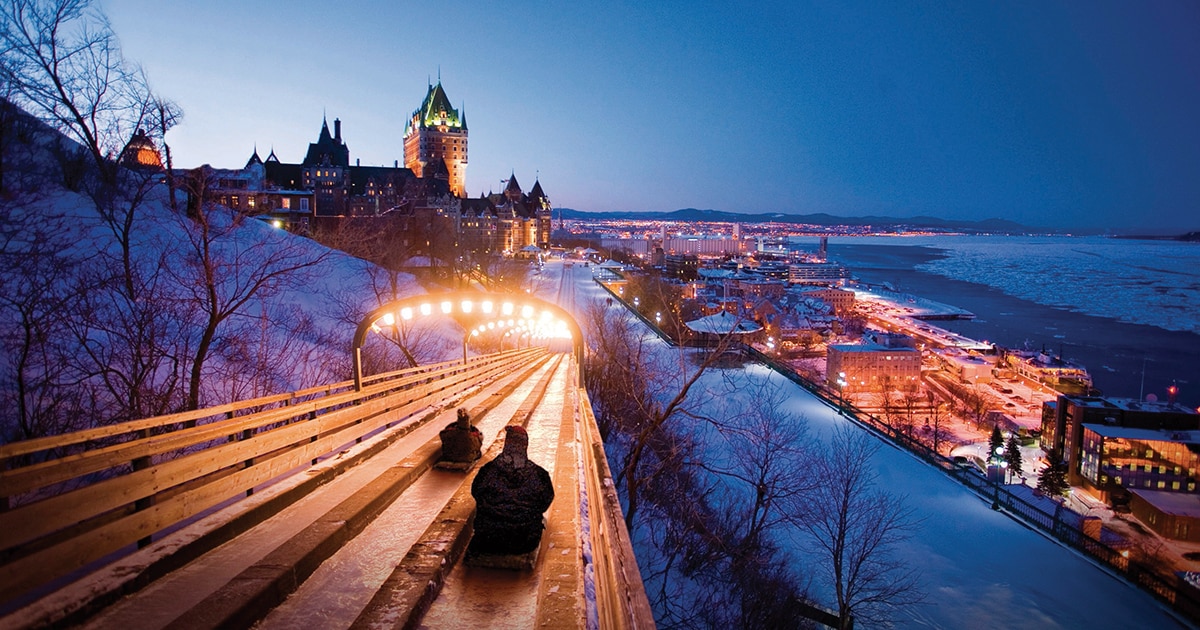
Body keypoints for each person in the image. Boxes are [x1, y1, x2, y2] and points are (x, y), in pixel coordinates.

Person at [468, 424, 554, 558]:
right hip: (523, 540)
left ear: (506, 444)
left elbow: (476, 492)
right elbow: (545, 501)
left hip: (488, 538)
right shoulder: (539, 474)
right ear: (525, 446)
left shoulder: (488, 470)